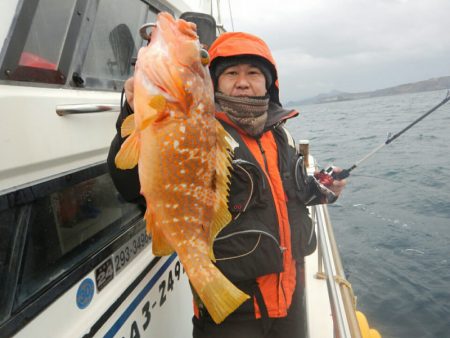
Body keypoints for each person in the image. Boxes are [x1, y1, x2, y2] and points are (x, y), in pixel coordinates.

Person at [107, 31, 346, 338]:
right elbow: (127, 181)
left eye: (254, 73)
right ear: (214, 82)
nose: (243, 81)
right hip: (235, 312)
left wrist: (318, 189)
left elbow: (285, 193)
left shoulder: (280, 136)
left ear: (269, 83)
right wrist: (132, 110)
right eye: (231, 73)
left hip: (289, 295)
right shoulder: (198, 127)